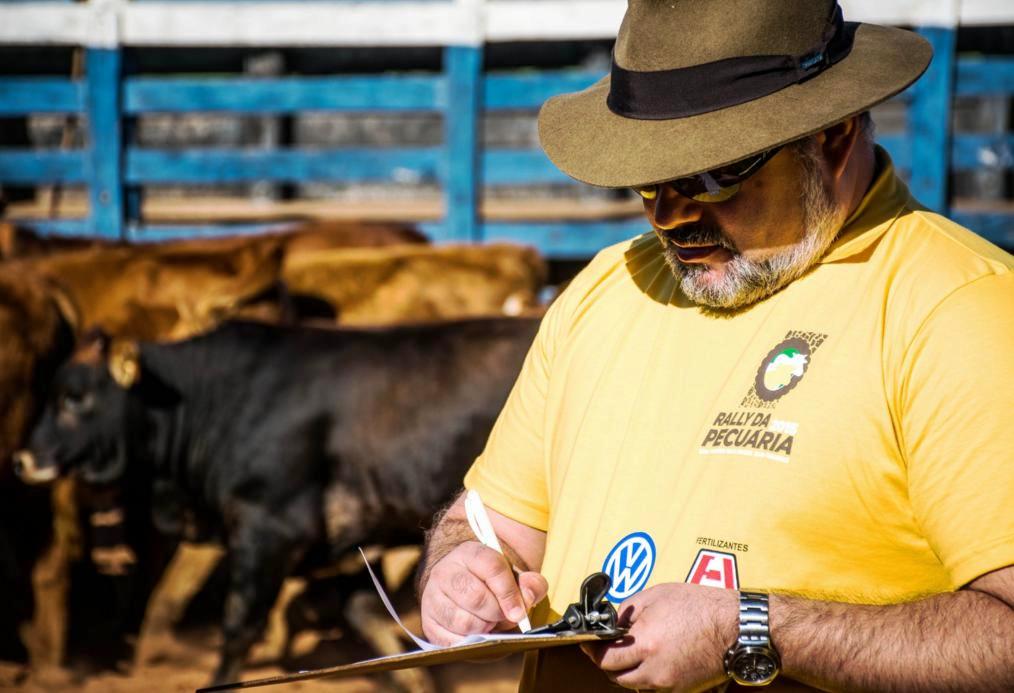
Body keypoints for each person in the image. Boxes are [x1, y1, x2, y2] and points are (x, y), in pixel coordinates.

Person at [417, 1, 1014, 690]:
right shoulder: (610, 287)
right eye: (647, 179)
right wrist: (458, 571)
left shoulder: (957, 308)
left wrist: (754, 628)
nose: (671, 215)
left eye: (712, 175)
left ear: (834, 136)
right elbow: (491, 529)